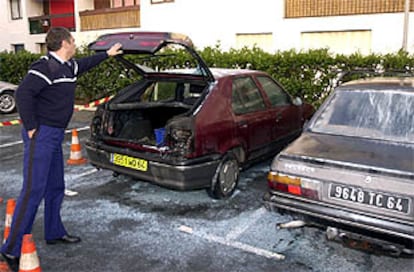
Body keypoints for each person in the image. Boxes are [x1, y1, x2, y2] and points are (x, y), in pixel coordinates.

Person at [0, 27, 123, 272]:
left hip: (55, 135)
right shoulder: (44, 67)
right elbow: (23, 94)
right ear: (65, 43)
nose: (75, 44)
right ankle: (9, 250)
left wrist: (107, 55)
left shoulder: (68, 66)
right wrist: (32, 127)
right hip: (42, 135)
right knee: (33, 190)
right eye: (73, 41)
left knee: (55, 186)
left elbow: (85, 64)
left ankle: (54, 232)